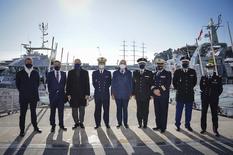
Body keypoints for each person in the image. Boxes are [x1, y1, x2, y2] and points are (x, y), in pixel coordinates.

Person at [16, 57, 42, 137]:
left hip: (33, 96)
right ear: (25, 63)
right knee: (22, 114)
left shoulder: (36, 72)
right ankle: (22, 131)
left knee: (33, 113)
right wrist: (24, 91)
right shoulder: (20, 73)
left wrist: (32, 90)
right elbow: (18, 85)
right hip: (23, 97)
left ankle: (35, 127)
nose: (29, 63)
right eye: (27, 62)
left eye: (30, 62)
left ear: (32, 63)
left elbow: (38, 83)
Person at [173, 56, 197, 132]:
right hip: (180, 95)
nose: (185, 63)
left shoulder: (192, 71)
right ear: (181, 63)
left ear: (188, 63)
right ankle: (177, 125)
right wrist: (180, 89)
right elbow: (174, 83)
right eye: (183, 62)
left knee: (189, 112)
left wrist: (188, 89)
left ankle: (187, 125)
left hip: (189, 95)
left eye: (186, 62)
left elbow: (194, 82)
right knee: (178, 112)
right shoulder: (177, 72)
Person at [200, 60, 223, 137]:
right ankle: (203, 129)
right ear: (206, 68)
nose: (209, 69)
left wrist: (215, 95)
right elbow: (201, 87)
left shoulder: (218, 78)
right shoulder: (203, 78)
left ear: (213, 68)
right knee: (203, 114)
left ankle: (215, 130)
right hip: (205, 99)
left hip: (214, 99)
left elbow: (220, 89)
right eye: (208, 67)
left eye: (211, 67)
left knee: (215, 115)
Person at [66, 59, 90, 129]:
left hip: (83, 95)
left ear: (80, 63)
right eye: (76, 63)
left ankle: (81, 122)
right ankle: (76, 123)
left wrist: (87, 94)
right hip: (73, 95)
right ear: (74, 64)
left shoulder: (85, 72)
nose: (77, 64)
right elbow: (68, 84)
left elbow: (87, 83)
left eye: (78, 63)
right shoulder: (70, 72)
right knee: (74, 111)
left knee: (82, 110)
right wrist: (68, 94)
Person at [151, 58, 172, 133]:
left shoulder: (167, 73)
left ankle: (163, 127)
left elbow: (167, 84)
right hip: (156, 96)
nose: (159, 66)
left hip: (163, 96)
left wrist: (158, 90)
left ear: (163, 65)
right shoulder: (154, 74)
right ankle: (158, 126)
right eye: (158, 64)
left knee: (163, 112)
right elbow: (152, 84)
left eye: (161, 64)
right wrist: (154, 90)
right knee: (157, 112)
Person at [47, 60, 67, 132]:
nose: (57, 65)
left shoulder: (64, 74)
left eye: (58, 64)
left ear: (60, 65)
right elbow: (48, 85)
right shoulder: (49, 74)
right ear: (53, 65)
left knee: (61, 112)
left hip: (61, 96)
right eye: (55, 64)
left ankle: (61, 125)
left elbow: (65, 84)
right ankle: (53, 126)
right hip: (52, 96)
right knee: (52, 112)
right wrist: (51, 93)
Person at [111, 60, 133, 128]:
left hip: (126, 94)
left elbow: (131, 84)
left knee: (125, 109)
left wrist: (130, 93)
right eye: (121, 63)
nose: (122, 64)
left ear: (126, 65)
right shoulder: (115, 73)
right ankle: (119, 123)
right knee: (118, 109)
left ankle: (125, 123)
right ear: (119, 64)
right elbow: (113, 83)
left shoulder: (129, 73)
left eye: (124, 63)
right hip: (117, 94)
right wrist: (112, 93)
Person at [132, 58, 153, 128]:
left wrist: (151, 95)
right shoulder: (135, 73)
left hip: (146, 95)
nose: (142, 65)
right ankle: (140, 123)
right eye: (140, 64)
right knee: (139, 110)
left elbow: (151, 85)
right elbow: (133, 84)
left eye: (143, 64)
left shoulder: (149, 73)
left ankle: (145, 124)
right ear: (138, 65)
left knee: (146, 110)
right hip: (138, 95)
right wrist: (133, 94)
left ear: (145, 65)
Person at [92, 57, 112, 129]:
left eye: (102, 63)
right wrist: (99, 90)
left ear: (105, 64)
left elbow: (109, 83)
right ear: (98, 64)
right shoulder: (94, 73)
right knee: (97, 110)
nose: (101, 65)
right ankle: (97, 124)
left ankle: (107, 123)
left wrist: (104, 89)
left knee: (106, 110)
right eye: (100, 63)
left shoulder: (108, 73)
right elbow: (94, 84)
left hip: (106, 94)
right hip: (97, 94)